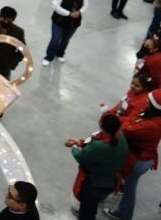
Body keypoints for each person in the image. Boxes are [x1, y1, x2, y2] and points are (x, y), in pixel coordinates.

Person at [104, 89, 161, 220]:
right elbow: (131, 120)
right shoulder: (152, 116)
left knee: (130, 188)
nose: (145, 101)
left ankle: (123, 214)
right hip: (141, 157)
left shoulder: (152, 124)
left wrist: (119, 119)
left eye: (148, 100)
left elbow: (127, 129)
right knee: (128, 184)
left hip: (139, 160)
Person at [66, 114, 127, 220]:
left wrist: (74, 146)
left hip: (94, 183)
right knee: (94, 203)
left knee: (87, 211)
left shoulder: (99, 146)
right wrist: (80, 143)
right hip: (111, 180)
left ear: (102, 125)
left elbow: (83, 157)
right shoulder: (120, 137)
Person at [43, 0, 87, 66]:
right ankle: (49, 57)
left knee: (66, 39)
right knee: (55, 39)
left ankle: (60, 53)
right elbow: (55, 6)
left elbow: (85, 5)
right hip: (59, 21)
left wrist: (79, 12)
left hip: (73, 22)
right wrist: (69, 14)